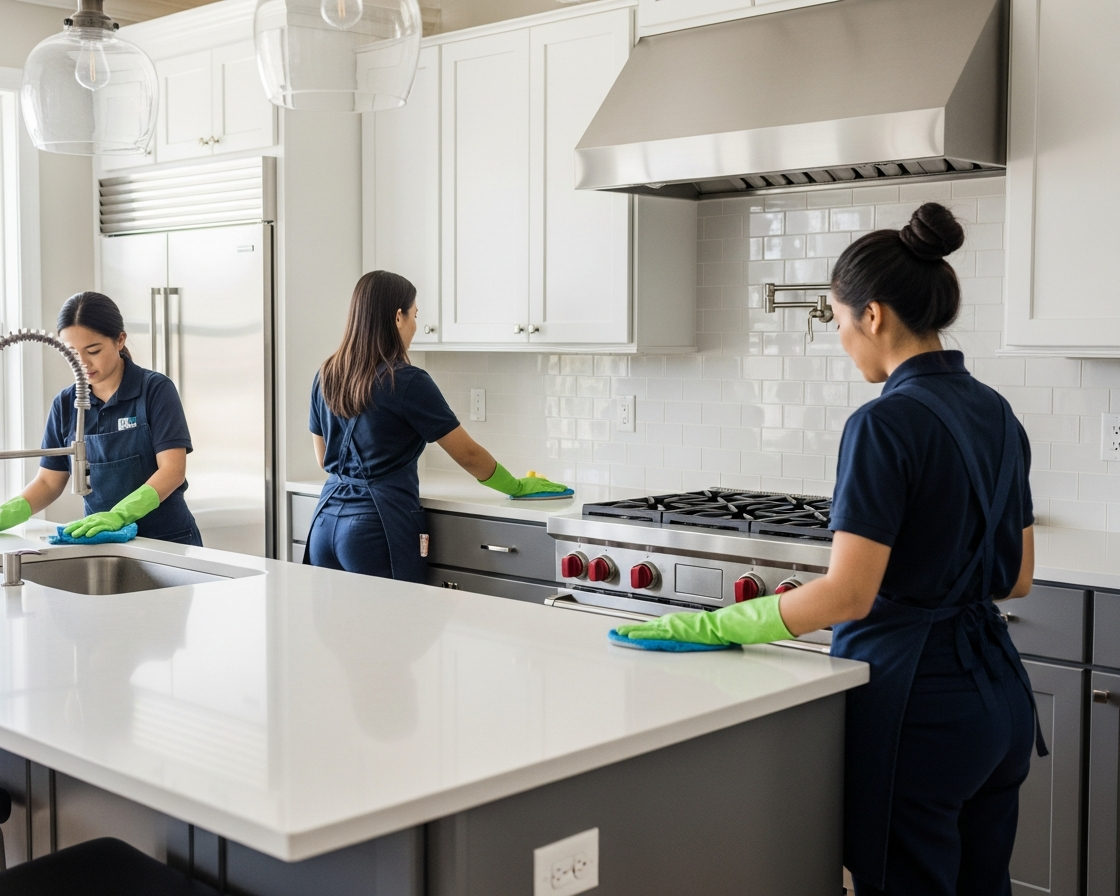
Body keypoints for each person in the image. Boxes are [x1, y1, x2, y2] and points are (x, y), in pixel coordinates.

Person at [614, 203, 1043, 896]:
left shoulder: (883, 424)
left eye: (838, 321)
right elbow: (1018, 578)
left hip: (916, 709)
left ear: (873, 315)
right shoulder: (997, 411)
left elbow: (849, 595)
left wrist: (716, 624)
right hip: (999, 705)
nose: (841, 339)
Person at [306, 270, 569, 583]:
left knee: (336, 629)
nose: (416, 325)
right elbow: (468, 454)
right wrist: (516, 486)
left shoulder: (327, 374)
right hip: (375, 528)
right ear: (398, 317)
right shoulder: (406, 381)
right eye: (415, 314)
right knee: (392, 627)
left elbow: (324, 460)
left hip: (325, 522)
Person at [0, 291, 202, 546]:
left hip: (168, 540)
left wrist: (119, 515)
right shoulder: (65, 403)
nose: (82, 363)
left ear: (120, 340)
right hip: (102, 543)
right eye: (72, 353)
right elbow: (49, 481)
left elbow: (172, 471)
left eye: (93, 351)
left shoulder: (154, 390)